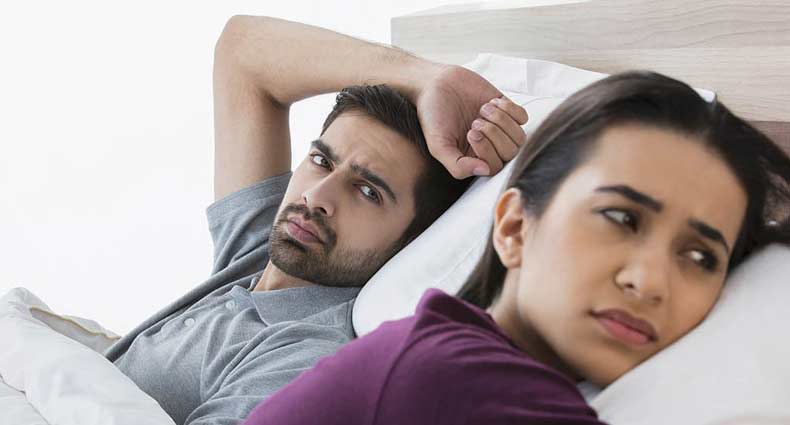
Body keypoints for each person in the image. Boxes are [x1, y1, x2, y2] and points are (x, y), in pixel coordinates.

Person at [242, 71, 790, 424]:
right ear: (512, 227)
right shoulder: (468, 382)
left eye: (699, 256)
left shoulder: (437, 346)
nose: (648, 280)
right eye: (622, 218)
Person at [102, 15, 528, 424]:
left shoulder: (300, 358)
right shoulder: (257, 254)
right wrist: (427, 78)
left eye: (367, 191)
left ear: (414, 238)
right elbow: (242, 52)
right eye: (322, 161)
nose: (316, 196)